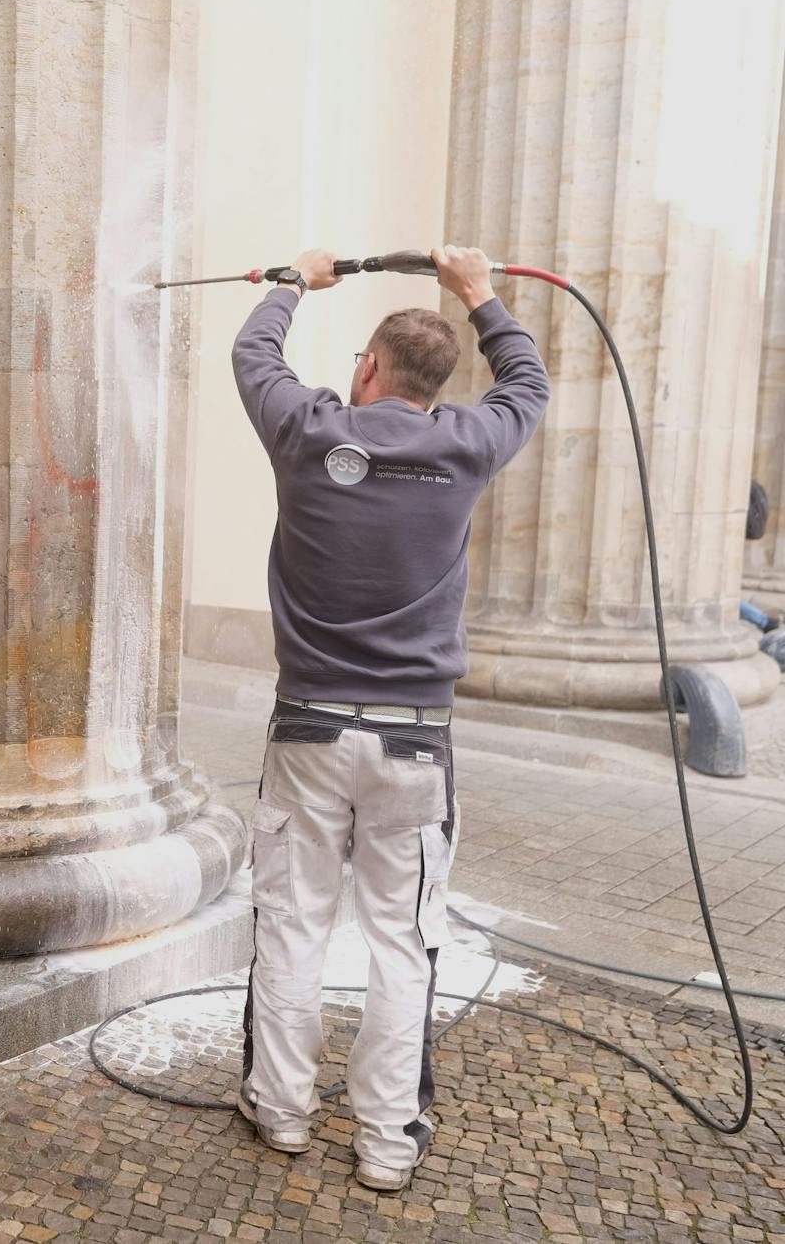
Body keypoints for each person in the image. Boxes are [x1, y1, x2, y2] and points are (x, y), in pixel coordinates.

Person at [229, 246, 550, 1191]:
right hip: (415, 740)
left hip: (307, 732)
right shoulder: (470, 442)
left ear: (367, 368)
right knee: (401, 939)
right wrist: (480, 293)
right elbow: (526, 378)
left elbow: (257, 358)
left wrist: (295, 282)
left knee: (292, 923)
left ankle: (282, 1111)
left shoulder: (305, 429)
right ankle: (385, 1142)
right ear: (437, 383)